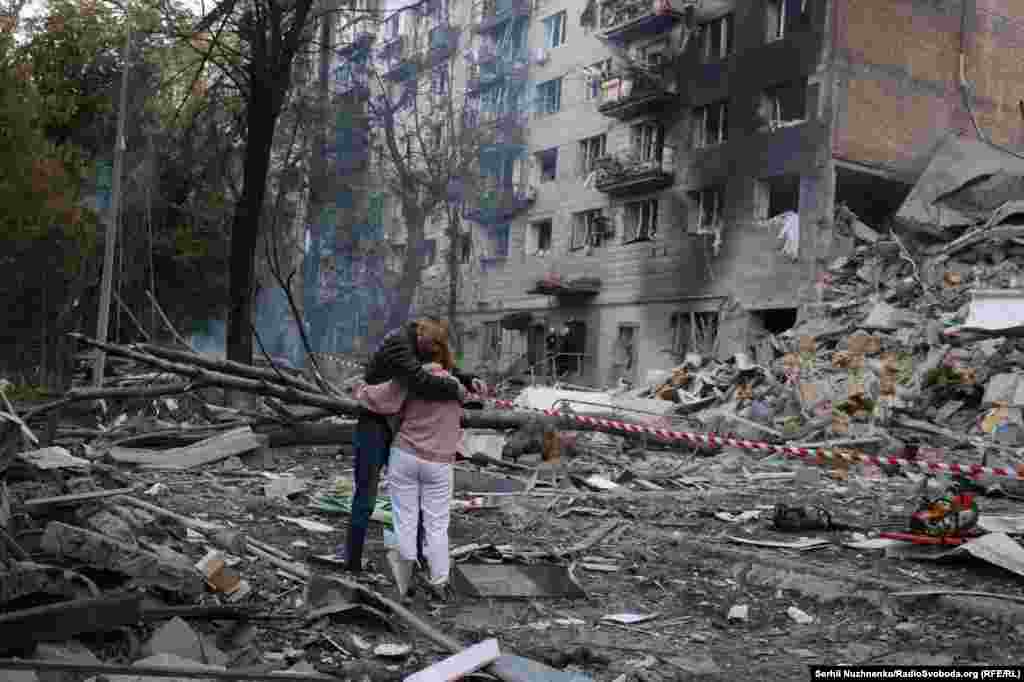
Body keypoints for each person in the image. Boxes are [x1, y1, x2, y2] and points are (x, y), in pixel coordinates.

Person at [342, 316, 487, 574]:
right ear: (421, 335)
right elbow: (420, 379)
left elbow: (437, 371)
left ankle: (416, 560)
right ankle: (352, 562)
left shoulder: (420, 349)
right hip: (375, 421)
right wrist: (459, 391)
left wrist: (466, 379)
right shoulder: (399, 343)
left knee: (412, 503)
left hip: (399, 428)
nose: (432, 351)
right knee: (366, 494)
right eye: (430, 345)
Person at [352, 319, 463, 602]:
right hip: (440, 463)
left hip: (406, 455)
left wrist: (359, 390)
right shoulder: (454, 384)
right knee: (437, 524)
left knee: (405, 520)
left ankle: (405, 585)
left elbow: (382, 400)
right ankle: (440, 582)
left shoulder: (410, 378)